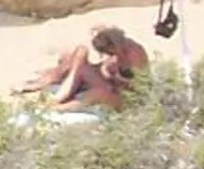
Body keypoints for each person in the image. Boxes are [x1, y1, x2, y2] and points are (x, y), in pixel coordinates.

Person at [20, 26, 148, 110]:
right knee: (80, 56)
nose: (107, 55)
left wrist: (115, 76)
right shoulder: (119, 50)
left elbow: (135, 83)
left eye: (107, 51)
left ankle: (57, 107)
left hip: (125, 97)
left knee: (99, 93)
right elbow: (106, 68)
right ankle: (55, 93)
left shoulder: (134, 54)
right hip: (110, 85)